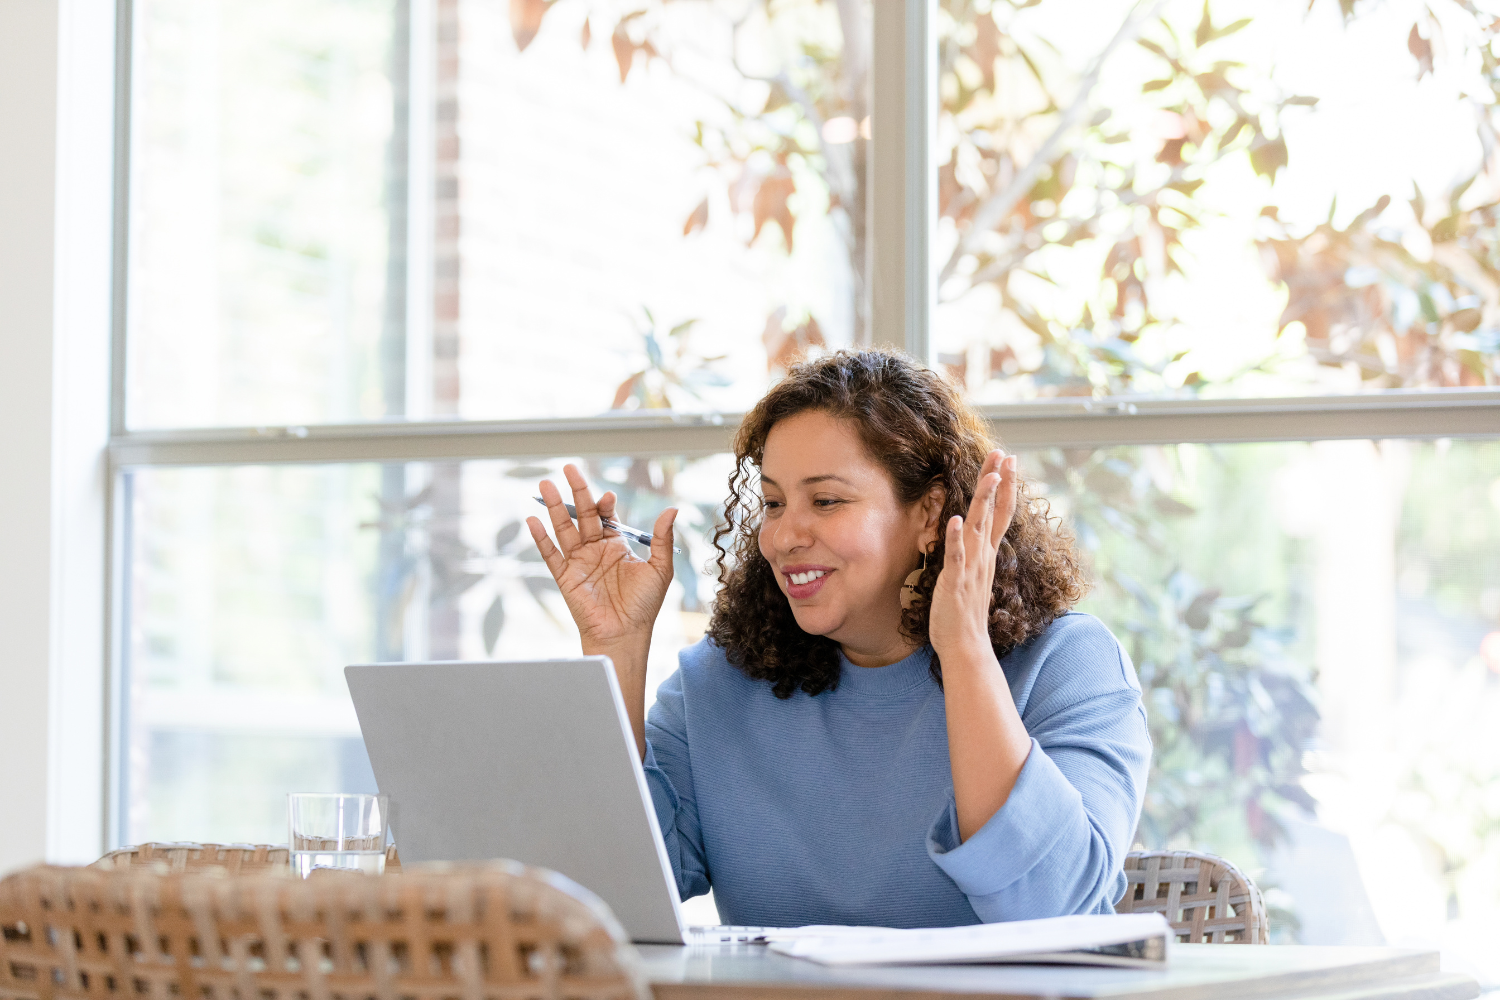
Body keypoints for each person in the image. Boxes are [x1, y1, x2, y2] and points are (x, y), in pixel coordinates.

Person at [526, 350, 1151, 928]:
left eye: (825, 501)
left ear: (930, 514)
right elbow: (601, 898)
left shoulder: (1067, 665)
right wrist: (616, 648)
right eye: (774, 503)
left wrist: (963, 648)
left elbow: (1052, 908)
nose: (782, 537)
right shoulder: (717, 684)